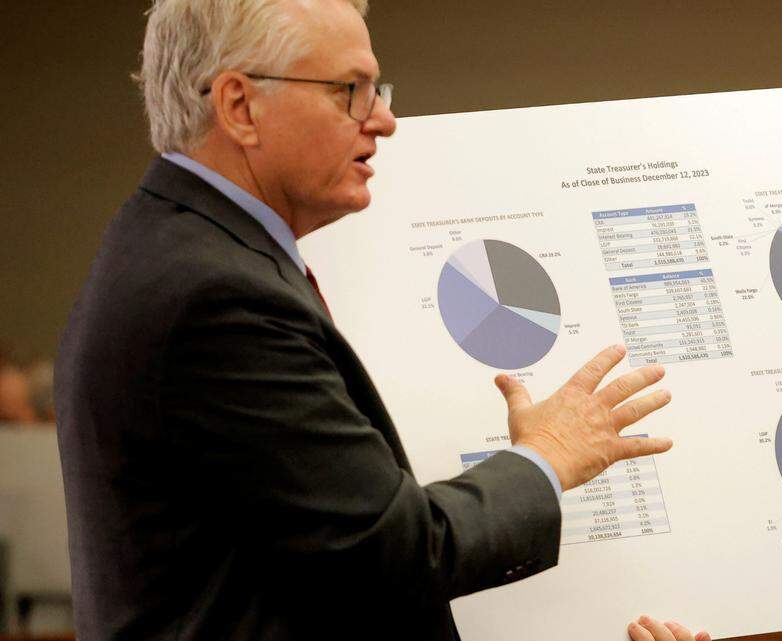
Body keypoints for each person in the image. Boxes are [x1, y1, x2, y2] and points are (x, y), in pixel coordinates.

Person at [55, 1, 707, 640]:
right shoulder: (217, 297)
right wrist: (548, 455)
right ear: (239, 106)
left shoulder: (179, 246)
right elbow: (386, 554)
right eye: (351, 90)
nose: (385, 119)